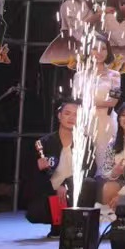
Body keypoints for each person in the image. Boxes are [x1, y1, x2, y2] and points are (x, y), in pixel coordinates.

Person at [28, 99, 85, 235]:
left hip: (75, 189)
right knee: (37, 207)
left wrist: (66, 185)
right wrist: (38, 167)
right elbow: (31, 176)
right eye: (67, 113)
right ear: (59, 116)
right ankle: (57, 223)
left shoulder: (85, 142)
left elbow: (89, 171)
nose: (71, 118)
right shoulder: (44, 143)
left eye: (76, 115)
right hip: (51, 191)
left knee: (88, 184)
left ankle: (77, 226)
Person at [84, 39, 122, 148]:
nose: (99, 52)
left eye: (103, 49)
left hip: (107, 122)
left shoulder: (115, 75)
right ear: (88, 51)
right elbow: (77, 102)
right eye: (95, 48)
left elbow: (113, 102)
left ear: (108, 51)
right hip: (86, 122)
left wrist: (89, 101)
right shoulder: (79, 75)